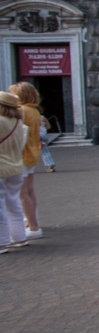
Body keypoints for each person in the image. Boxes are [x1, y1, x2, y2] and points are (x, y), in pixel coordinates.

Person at [10, 82, 43, 240]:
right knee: (29, 191)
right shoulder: (35, 111)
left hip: (21, 154)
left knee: (22, 193)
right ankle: (32, 222)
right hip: (32, 152)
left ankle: (33, 226)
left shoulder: (21, 111)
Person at [0, 91, 28, 254]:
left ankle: (2, 242)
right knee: (14, 203)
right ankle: (19, 237)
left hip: (1, 166)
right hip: (16, 167)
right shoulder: (19, 123)